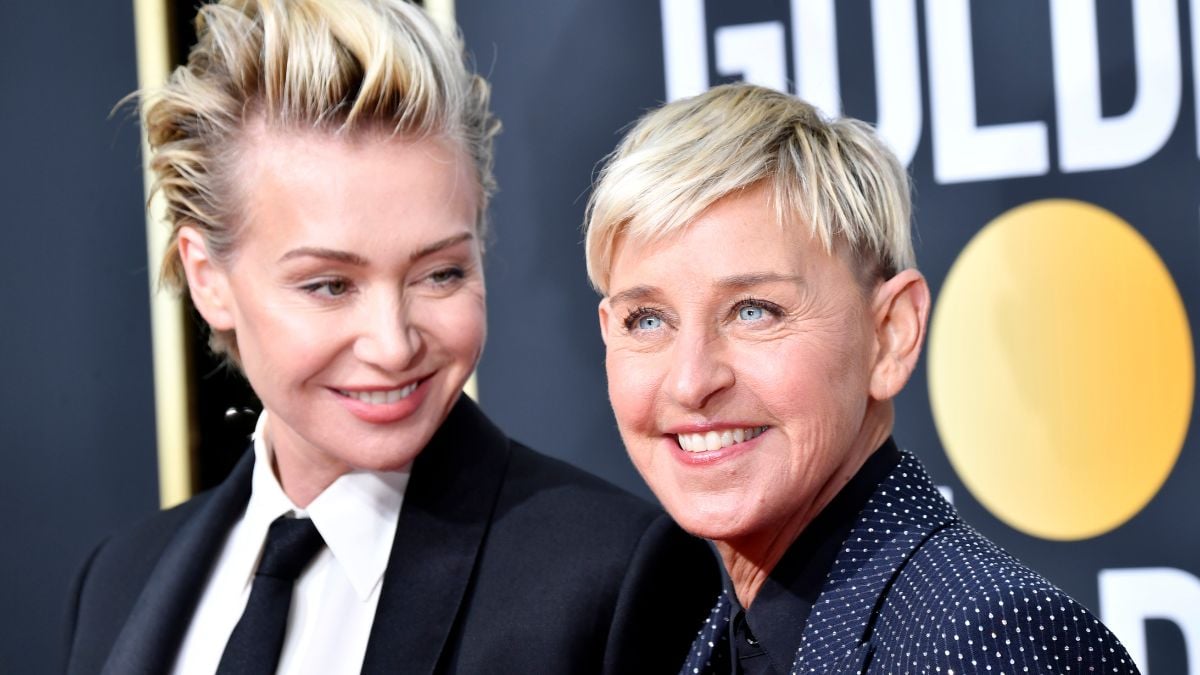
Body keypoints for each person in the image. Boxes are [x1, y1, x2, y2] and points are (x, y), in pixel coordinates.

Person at [62, 2, 717, 673]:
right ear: (210, 280)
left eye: (439, 273)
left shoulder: (611, 577)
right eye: (329, 285)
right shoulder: (117, 584)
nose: (393, 343)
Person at [584, 83, 1139, 675]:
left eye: (754, 311)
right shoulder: (714, 643)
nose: (691, 381)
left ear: (891, 333)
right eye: (647, 320)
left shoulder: (986, 640)